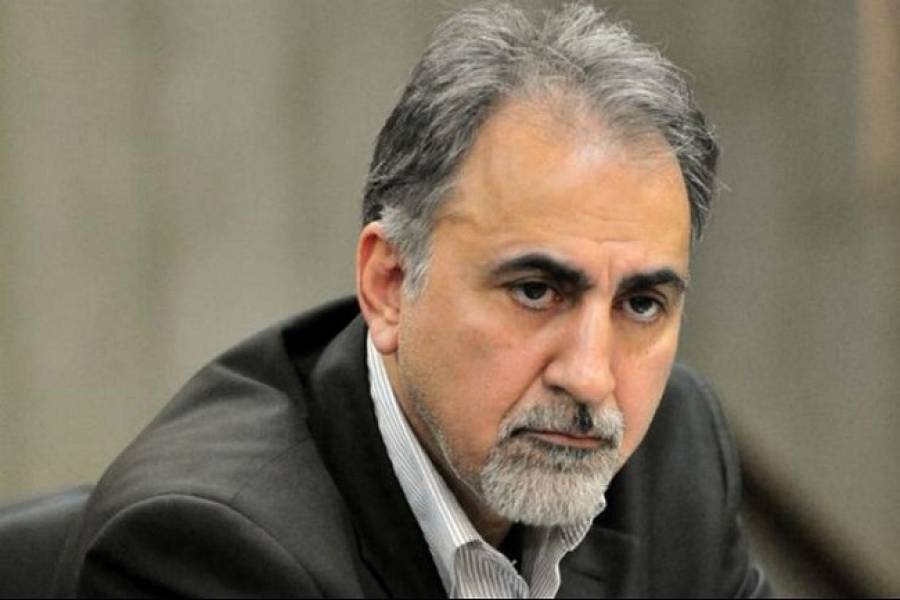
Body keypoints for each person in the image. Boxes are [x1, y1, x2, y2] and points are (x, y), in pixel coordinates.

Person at [56, 3, 771, 598]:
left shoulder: (675, 454)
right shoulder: (204, 549)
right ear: (390, 285)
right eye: (535, 291)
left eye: (641, 304)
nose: (590, 377)